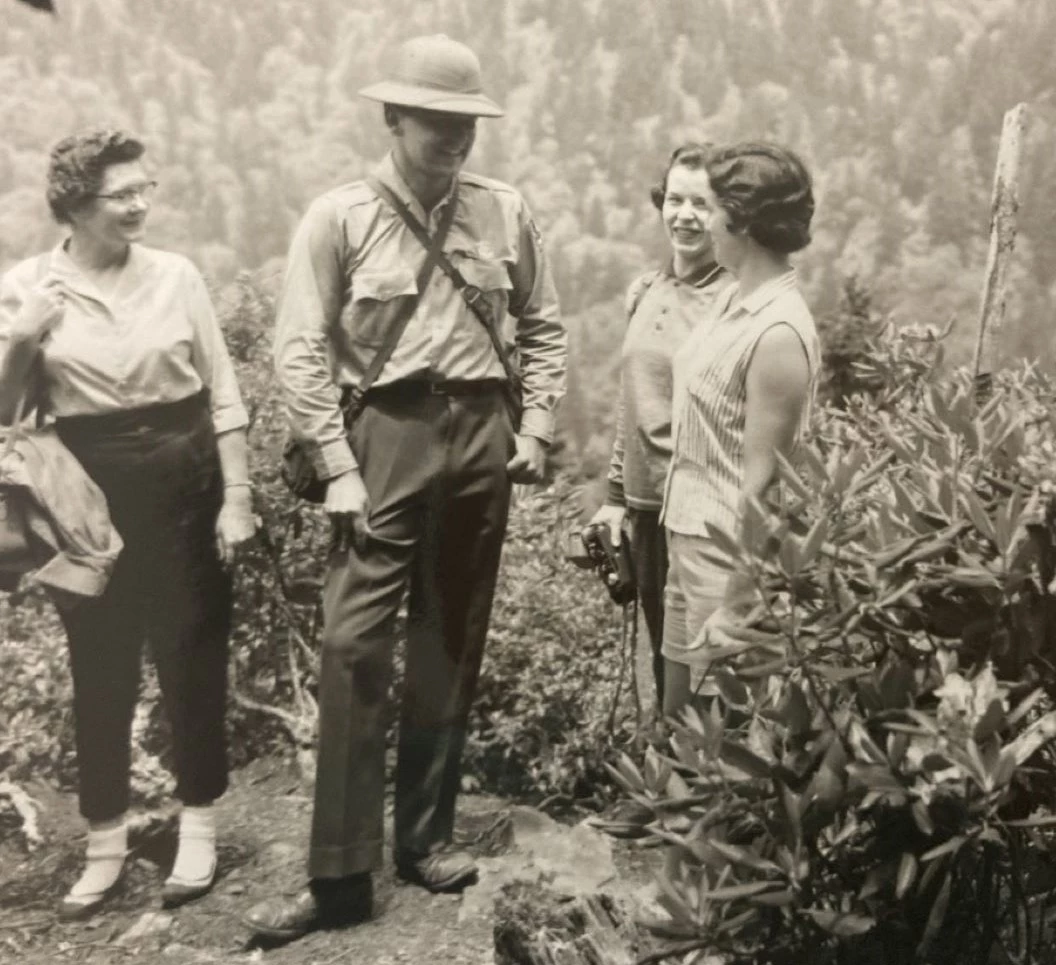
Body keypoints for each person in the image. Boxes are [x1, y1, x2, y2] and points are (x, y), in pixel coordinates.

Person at [244, 34, 566, 943]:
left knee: (450, 636)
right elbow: (299, 348)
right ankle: (342, 875)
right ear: (393, 118)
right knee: (352, 648)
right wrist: (339, 467)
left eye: (466, 121)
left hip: (482, 432)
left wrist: (535, 427)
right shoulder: (340, 216)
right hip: (382, 434)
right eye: (435, 120)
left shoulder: (504, 212)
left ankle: (424, 838)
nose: (454, 137)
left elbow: (543, 326)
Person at [0, 129, 258, 919]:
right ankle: (104, 841)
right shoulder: (29, 284)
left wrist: (237, 497)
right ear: (74, 203)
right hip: (85, 488)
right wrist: (26, 333)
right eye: (121, 194)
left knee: (191, 650)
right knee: (98, 662)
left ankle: (198, 824)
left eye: (146, 189)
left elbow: (223, 392)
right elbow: (1, 407)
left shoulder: (176, 276)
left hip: (184, 472)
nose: (139, 204)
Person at [657, 141, 820, 716]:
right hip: (687, 536)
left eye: (711, 206)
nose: (701, 219)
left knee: (717, 731)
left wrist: (737, 604)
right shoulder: (731, 296)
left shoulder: (778, 332)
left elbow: (765, 487)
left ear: (741, 221)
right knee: (679, 721)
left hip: (728, 561)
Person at [587, 143, 731, 707]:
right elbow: (632, 402)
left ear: (728, 214)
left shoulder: (733, 301)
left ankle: (708, 784)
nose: (685, 215)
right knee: (661, 655)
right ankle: (669, 774)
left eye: (703, 202)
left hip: (700, 511)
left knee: (704, 665)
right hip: (648, 508)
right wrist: (616, 495)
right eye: (675, 199)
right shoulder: (647, 291)